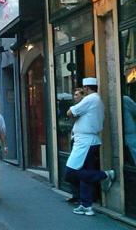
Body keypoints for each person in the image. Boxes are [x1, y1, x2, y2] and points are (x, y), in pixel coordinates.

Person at [65, 78, 115, 216]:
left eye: (84, 88)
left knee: (70, 172)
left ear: (86, 88)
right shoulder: (97, 100)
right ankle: (86, 205)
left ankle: (105, 175)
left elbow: (70, 112)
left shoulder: (90, 99)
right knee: (85, 174)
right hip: (89, 141)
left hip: (85, 143)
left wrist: (73, 113)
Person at [66, 88, 85, 205]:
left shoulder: (83, 108)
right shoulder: (75, 108)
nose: (75, 97)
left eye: (77, 95)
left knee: (77, 169)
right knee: (72, 168)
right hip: (75, 139)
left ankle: (80, 196)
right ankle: (75, 194)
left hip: (83, 142)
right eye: (74, 95)